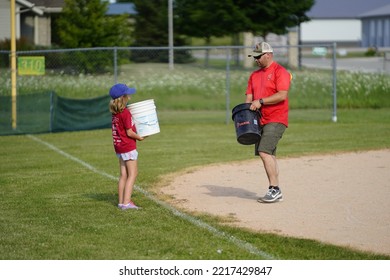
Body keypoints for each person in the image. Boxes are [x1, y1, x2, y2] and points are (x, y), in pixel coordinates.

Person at [245, 42, 291, 203]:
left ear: (268, 55)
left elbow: (282, 95)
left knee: (264, 151)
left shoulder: (280, 72)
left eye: (258, 56)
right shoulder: (254, 75)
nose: (256, 59)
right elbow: (249, 98)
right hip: (259, 120)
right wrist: (246, 117)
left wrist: (261, 101)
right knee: (269, 154)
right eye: (254, 57)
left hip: (276, 118)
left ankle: (274, 189)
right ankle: (276, 190)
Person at [109, 83, 145, 210]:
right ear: (123, 97)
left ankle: (121, 202)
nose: (129, 96)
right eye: (127, 94)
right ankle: (127, 203)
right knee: (133, 174)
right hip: (127, 147)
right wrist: (139, 137)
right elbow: (129, 132)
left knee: (123, 175)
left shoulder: (115, 113)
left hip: (119, 147)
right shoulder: (125, 113)